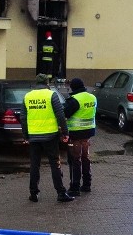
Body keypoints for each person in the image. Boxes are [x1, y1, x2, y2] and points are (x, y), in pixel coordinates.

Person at [21, 73, 74, 203]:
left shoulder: (27, 96)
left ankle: (33, 194)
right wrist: (65, 133)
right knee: (55, 164)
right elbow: (60, 115)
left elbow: (23, 118)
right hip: (50, 136)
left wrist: (26, 135)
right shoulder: (51, 95)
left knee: (34, 165)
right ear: (47, 83)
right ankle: (61, 193)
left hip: (34, 137)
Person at [63, 77, 97, 195]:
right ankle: (87, 184)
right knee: (85, 158)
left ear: (73, 87)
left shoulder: (74, 100)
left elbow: (65, 114)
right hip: (88, 133)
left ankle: (74, 187)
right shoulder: (92, 97)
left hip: (75, 134)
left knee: (75, 160)